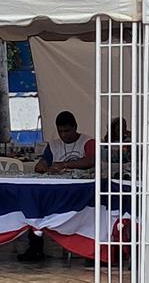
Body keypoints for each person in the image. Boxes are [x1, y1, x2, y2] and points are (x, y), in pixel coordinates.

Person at [20, 111, 95, 262]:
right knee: (35, 205)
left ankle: (90, 250)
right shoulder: (53, 145)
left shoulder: (88, 142)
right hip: (57, 191)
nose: (64, 135)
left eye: (67, 131)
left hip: (81, 191)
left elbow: (90, 161)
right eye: (60, 131)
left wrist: (65, 165)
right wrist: (42, 166)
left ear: (75, 127)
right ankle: (35, 248)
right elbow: (41, 164)